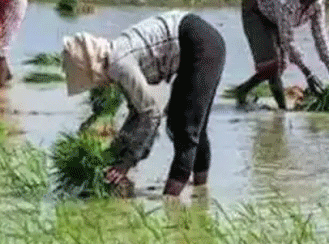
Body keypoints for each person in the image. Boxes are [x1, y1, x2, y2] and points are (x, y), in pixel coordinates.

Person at [60, 11, 226, 198]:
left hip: (201, 44)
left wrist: (126, 163)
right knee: (183, 124)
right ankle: (201, 194)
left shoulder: (120, 65)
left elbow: (150, 114)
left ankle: (170, 201)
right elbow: (136, 113)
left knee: (186, 128)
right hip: (196, 41)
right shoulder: (116, 59)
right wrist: (116, 154)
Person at [229, 0, 329, 111]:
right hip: (255, 8)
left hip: (272, 12)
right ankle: (282, 111)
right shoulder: (285, 1)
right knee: (272, 65)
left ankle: (243, 90)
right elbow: (288, 41)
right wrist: (309, 74)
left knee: (281, 65)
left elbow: (319, 33)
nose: (311, 3)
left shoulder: (317, 1)